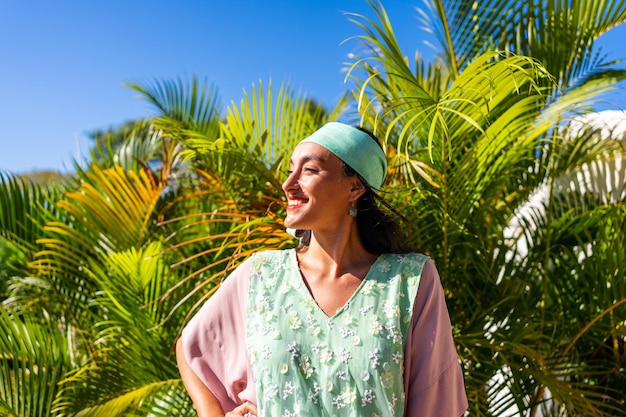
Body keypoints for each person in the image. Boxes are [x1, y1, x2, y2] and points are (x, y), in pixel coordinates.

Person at [176, 121, 468, 416]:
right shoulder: (261, 274)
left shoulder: (409, 281)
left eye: (309, 170)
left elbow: (436, 403)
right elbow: (192, 349)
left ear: (355, 187)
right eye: (291, 170)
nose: (288, 184)